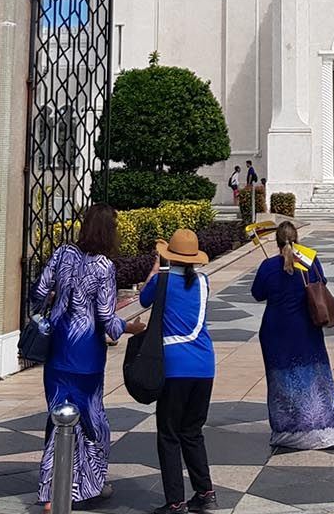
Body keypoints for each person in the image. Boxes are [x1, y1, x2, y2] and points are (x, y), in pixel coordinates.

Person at [33, 205, 125, 510]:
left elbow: (40, 289)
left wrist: (53, 304)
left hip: (58, 351)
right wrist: (127, 326)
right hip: (86, 354)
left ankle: (51, 491)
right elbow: (105, 316)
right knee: (92, 423)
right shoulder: (104, 266)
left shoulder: (62, 254)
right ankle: (88, 486)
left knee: (58, 418)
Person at [129, 228, 216, 514]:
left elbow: (144, 299)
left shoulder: (163, 280)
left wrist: (157, 266)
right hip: (204, 366)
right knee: (192, 431)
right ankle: (205, 492)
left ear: (171, 257)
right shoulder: (203, 282)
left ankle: (175, 501)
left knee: (168, 434)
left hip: (175, 366)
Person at [250, 221, 334, 450]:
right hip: (305, 327)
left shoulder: (268, 265)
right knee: (315, 375)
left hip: (275, 330)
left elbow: (257, 293)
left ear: (276, 242)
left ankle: (289, 428)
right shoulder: (309, 260)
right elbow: (322, 283)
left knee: (282, 380)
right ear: (297, 238)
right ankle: (321, 424)